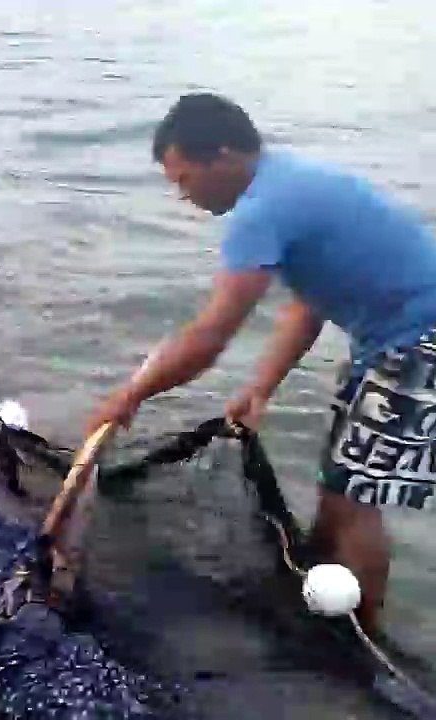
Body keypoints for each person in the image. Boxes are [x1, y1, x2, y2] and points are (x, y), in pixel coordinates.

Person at [82, 92, 436, 635]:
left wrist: (130, 395)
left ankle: (364, 642)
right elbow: (308, 303)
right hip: (389, 341)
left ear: (222, 156)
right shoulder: (287, 179)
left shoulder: (262, 208)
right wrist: (260, 388)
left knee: (358, 498)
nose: (183, 196)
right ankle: (335, 609)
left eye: (184, 180)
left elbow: (209, 336)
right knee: (339, 485)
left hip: (418, 342)